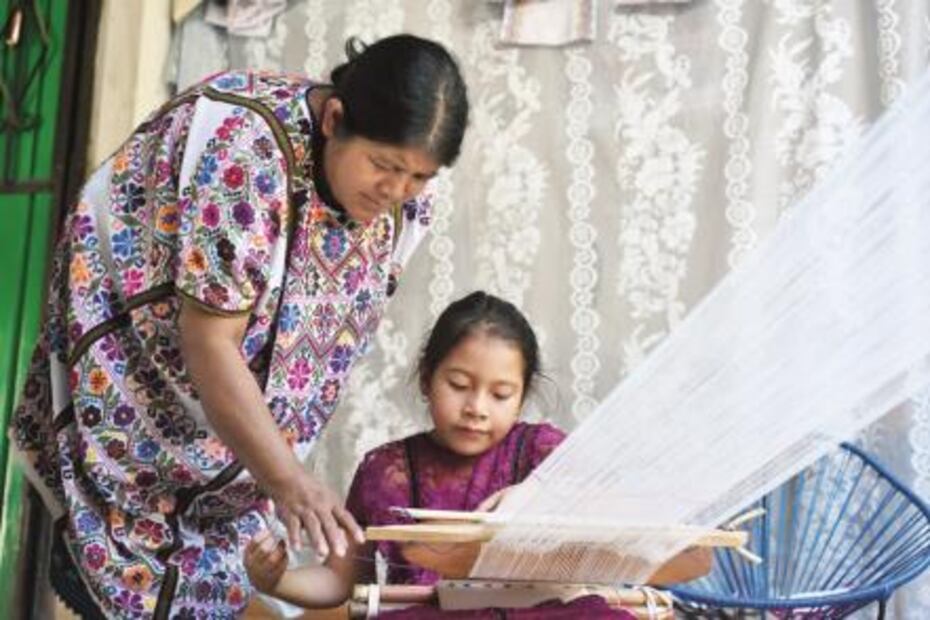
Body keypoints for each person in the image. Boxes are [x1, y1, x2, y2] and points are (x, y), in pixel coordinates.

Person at [8, 34, 468, 619]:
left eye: (419, 175)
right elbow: (210, 342)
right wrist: (287, 478)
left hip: (235, 467)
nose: (396, 191)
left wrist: (274, 472)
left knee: (232, 587)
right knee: (116, 571)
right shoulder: (245, 154)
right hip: (134, 422)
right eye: (384, 166)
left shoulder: (408, 202)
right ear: (334, 120)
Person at [245, 291, 644, 618]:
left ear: (522, 397)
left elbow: (623, 509)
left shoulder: (541, 451)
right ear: (426, 379)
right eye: (459, 385)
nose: (477, 408)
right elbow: (340, 581)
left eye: (501, 394)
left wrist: (536, 492)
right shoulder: (386, 471)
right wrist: (275, 580)